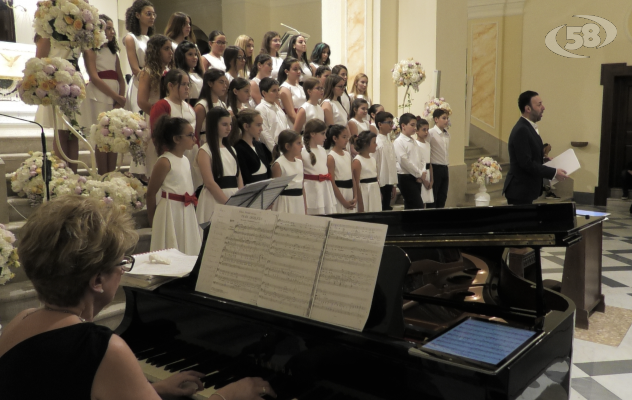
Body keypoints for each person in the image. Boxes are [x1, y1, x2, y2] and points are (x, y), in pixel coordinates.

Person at [0, 195, 274, 399]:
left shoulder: (20, 323)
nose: (123, 270)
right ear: (97, 280)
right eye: (122, 263)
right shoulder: (101, 348)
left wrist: (152, 390)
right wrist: (227, 396)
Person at [146, 116, 202, 255]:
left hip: (185, 210)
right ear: (176, 139)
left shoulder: (185, 160)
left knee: (186, 247)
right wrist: (153, 220)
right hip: (170, 211)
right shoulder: (165, 161)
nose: (194, 138)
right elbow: (151, 193)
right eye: (190, 135)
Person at [79, 14, 126, 175]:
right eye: (108, 28)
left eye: (113, 28)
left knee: (112, 136)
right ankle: (102, 174)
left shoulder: (114, 53)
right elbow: (94, 77)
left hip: (114, 96)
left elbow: (120, 77)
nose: (112, 32)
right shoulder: (91, 50)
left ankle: (111, 174)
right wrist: (116, 96)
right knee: (102, 137)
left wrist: (121, 97)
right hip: (99, 94)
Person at [502, 91, 567, 205]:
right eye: (539, 104)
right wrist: (554, 172)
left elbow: (528, 155)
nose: (543, 107)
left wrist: (544, 160)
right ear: (528, 108)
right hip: (520, 190)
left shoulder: (528, 128)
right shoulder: (522, 129)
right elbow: (526, 163)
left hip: (525, 190)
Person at [149, 69, 201, 190]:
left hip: (190, 154)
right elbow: (158, 135)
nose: (187, 88)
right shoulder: (162, 105)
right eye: (183, 84)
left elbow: (194, 134)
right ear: (170, 85)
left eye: (188, 84)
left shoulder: (189, 107)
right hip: (171, 156)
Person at [135, 34, 173, 180]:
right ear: (156, 51)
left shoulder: (170, 72)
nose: (170, 52)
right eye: (166, 49)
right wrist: (159, 115)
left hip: (170, 116)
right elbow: (142, 101)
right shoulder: (148, 72)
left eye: (171, 48)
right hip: (155, 118)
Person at [196, 107, 243, 224]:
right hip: (214, 200)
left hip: (233, 197)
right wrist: (228, 204)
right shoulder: (205, 151)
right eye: (224, 124)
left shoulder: (231, 149)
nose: (229, 128)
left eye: (230, 124)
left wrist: (241, 199)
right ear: (213, 125)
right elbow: (209, 183)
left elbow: (238, 176)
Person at [123, 0, 155, 115]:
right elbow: (135, 69)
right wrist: (148, 79)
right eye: (148, 14)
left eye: (153, 14)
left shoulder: (149, 39)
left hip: (153, 82)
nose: (152, 17)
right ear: (137, 15)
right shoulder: (130, 38)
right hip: (139, 82)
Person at [302, 119, 337, 215]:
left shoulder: (322, 150)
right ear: (312, 134)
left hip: (325, 187)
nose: (325, 137)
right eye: (322, 134)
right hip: (312, 189)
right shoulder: (302, 152)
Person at [394, 113, 424, 210]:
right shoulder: (399, 142)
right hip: (405, 177)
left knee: (412, 207)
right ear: (403, 126)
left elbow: (421, 159)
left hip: (416, 176)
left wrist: (421, 172)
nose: (415, 128)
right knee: (417, 205)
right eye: (412, 125)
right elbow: (404, 162)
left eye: (415, 125)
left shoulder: (413, 141)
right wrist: (418, 173)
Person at [271, 130, 306, 214]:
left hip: (299, 202)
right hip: (284, 203)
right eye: (298, 143)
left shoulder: (300, 162)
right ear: (287, 146)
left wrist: (305, 207)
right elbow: (274, 191)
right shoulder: (278, 164)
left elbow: (302, 187)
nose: (302, 146)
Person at [324, 124, 356, 214]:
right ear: (335, 138)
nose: (347, 140)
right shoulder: (331, 157)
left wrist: (355, 196)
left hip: (350, 193)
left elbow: (352, 176)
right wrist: (344, 202)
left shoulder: (347, 154)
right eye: (344, 137)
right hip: (340, 194)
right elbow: (332, 182)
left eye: (347, 137)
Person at [234, 109, 271, 185]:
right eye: (258, 125)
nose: (261, 129)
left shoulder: (260, 146)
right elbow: (244, 177)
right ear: (246, 126)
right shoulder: (238, 149)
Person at [194, 69, 229, 145]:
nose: (225, 86)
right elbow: (195, 133)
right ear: (210, 83)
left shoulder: (222, 104)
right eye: (221, 82)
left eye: (225, 82)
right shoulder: (202, 106)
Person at [255, 77, 289, 152]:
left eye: (278, 90)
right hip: (272, 151)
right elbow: (265, 134)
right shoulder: (260, 109)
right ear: (264, 93)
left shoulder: (277, 107)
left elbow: (286, 127)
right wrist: (275, 151)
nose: (278, 93)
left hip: (285, 148)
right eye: (274, 91)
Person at [427, 109, 451, 208]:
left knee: (443, 195)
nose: (446, 121)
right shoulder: (431, 133)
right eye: (444, 118)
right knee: (433, 196)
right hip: (435, 167)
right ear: (436, 119)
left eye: (447, 118)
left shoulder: (447, 134)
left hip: (445, 167)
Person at [374, 111, 397, 211]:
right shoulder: (377, 142)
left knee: (387, 208)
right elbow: (375, 164)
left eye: (392, 122)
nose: (391, 125)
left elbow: (392, 164)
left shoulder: (389, 141)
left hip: (388, 182)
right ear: (380, 124)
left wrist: (393, 185)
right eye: (389, 122)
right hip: (380, 182)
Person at [352, 131, 380, 213]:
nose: (376, 144)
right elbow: (356, 184)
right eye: (374, 142)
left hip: (374, 191)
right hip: (365, 192)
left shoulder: (372, 159)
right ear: (365, 144)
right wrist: (360, 202)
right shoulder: (357, 161)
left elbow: (376, 177)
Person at [278, 57, 307, 126]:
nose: (299, 71)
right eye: (295, 69)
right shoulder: (285, 88)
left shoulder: (300, 87)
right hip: (293, 125)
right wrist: (301, 128)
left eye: (299, 69)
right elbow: (291, 114)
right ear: (286, 71)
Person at [416, 117, 434, 206]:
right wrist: (424, 180)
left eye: (427, 129)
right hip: (421, 175)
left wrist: (431, 180)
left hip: (428, 174)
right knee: (421, 201)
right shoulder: (416, 144)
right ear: (417, 131)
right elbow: (417, 163)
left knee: (428, 201)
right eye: (424, 130)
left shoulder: (427, 144)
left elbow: (429, 163)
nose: (426, 132)